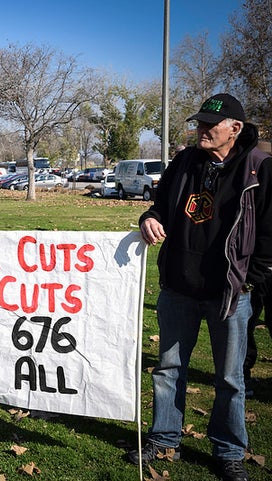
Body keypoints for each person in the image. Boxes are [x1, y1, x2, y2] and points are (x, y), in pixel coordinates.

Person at [127, 94, 272, 481]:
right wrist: (150, 217)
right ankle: (164, 440)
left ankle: (229, 452)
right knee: (168, 368)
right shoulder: (185, 160)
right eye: (199, 124)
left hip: (229, 292)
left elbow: (269, 233)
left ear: (235, 129)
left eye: (210, 125)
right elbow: (161, 204)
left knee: (230, 377)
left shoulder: (259, 167)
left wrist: (250, 279)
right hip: (177, 287)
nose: (202, 131)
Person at [243, 139, 272, 398]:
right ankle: (244, 374)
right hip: (255, 266)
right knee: (247, 321)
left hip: (260, 266)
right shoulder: (255, 180)